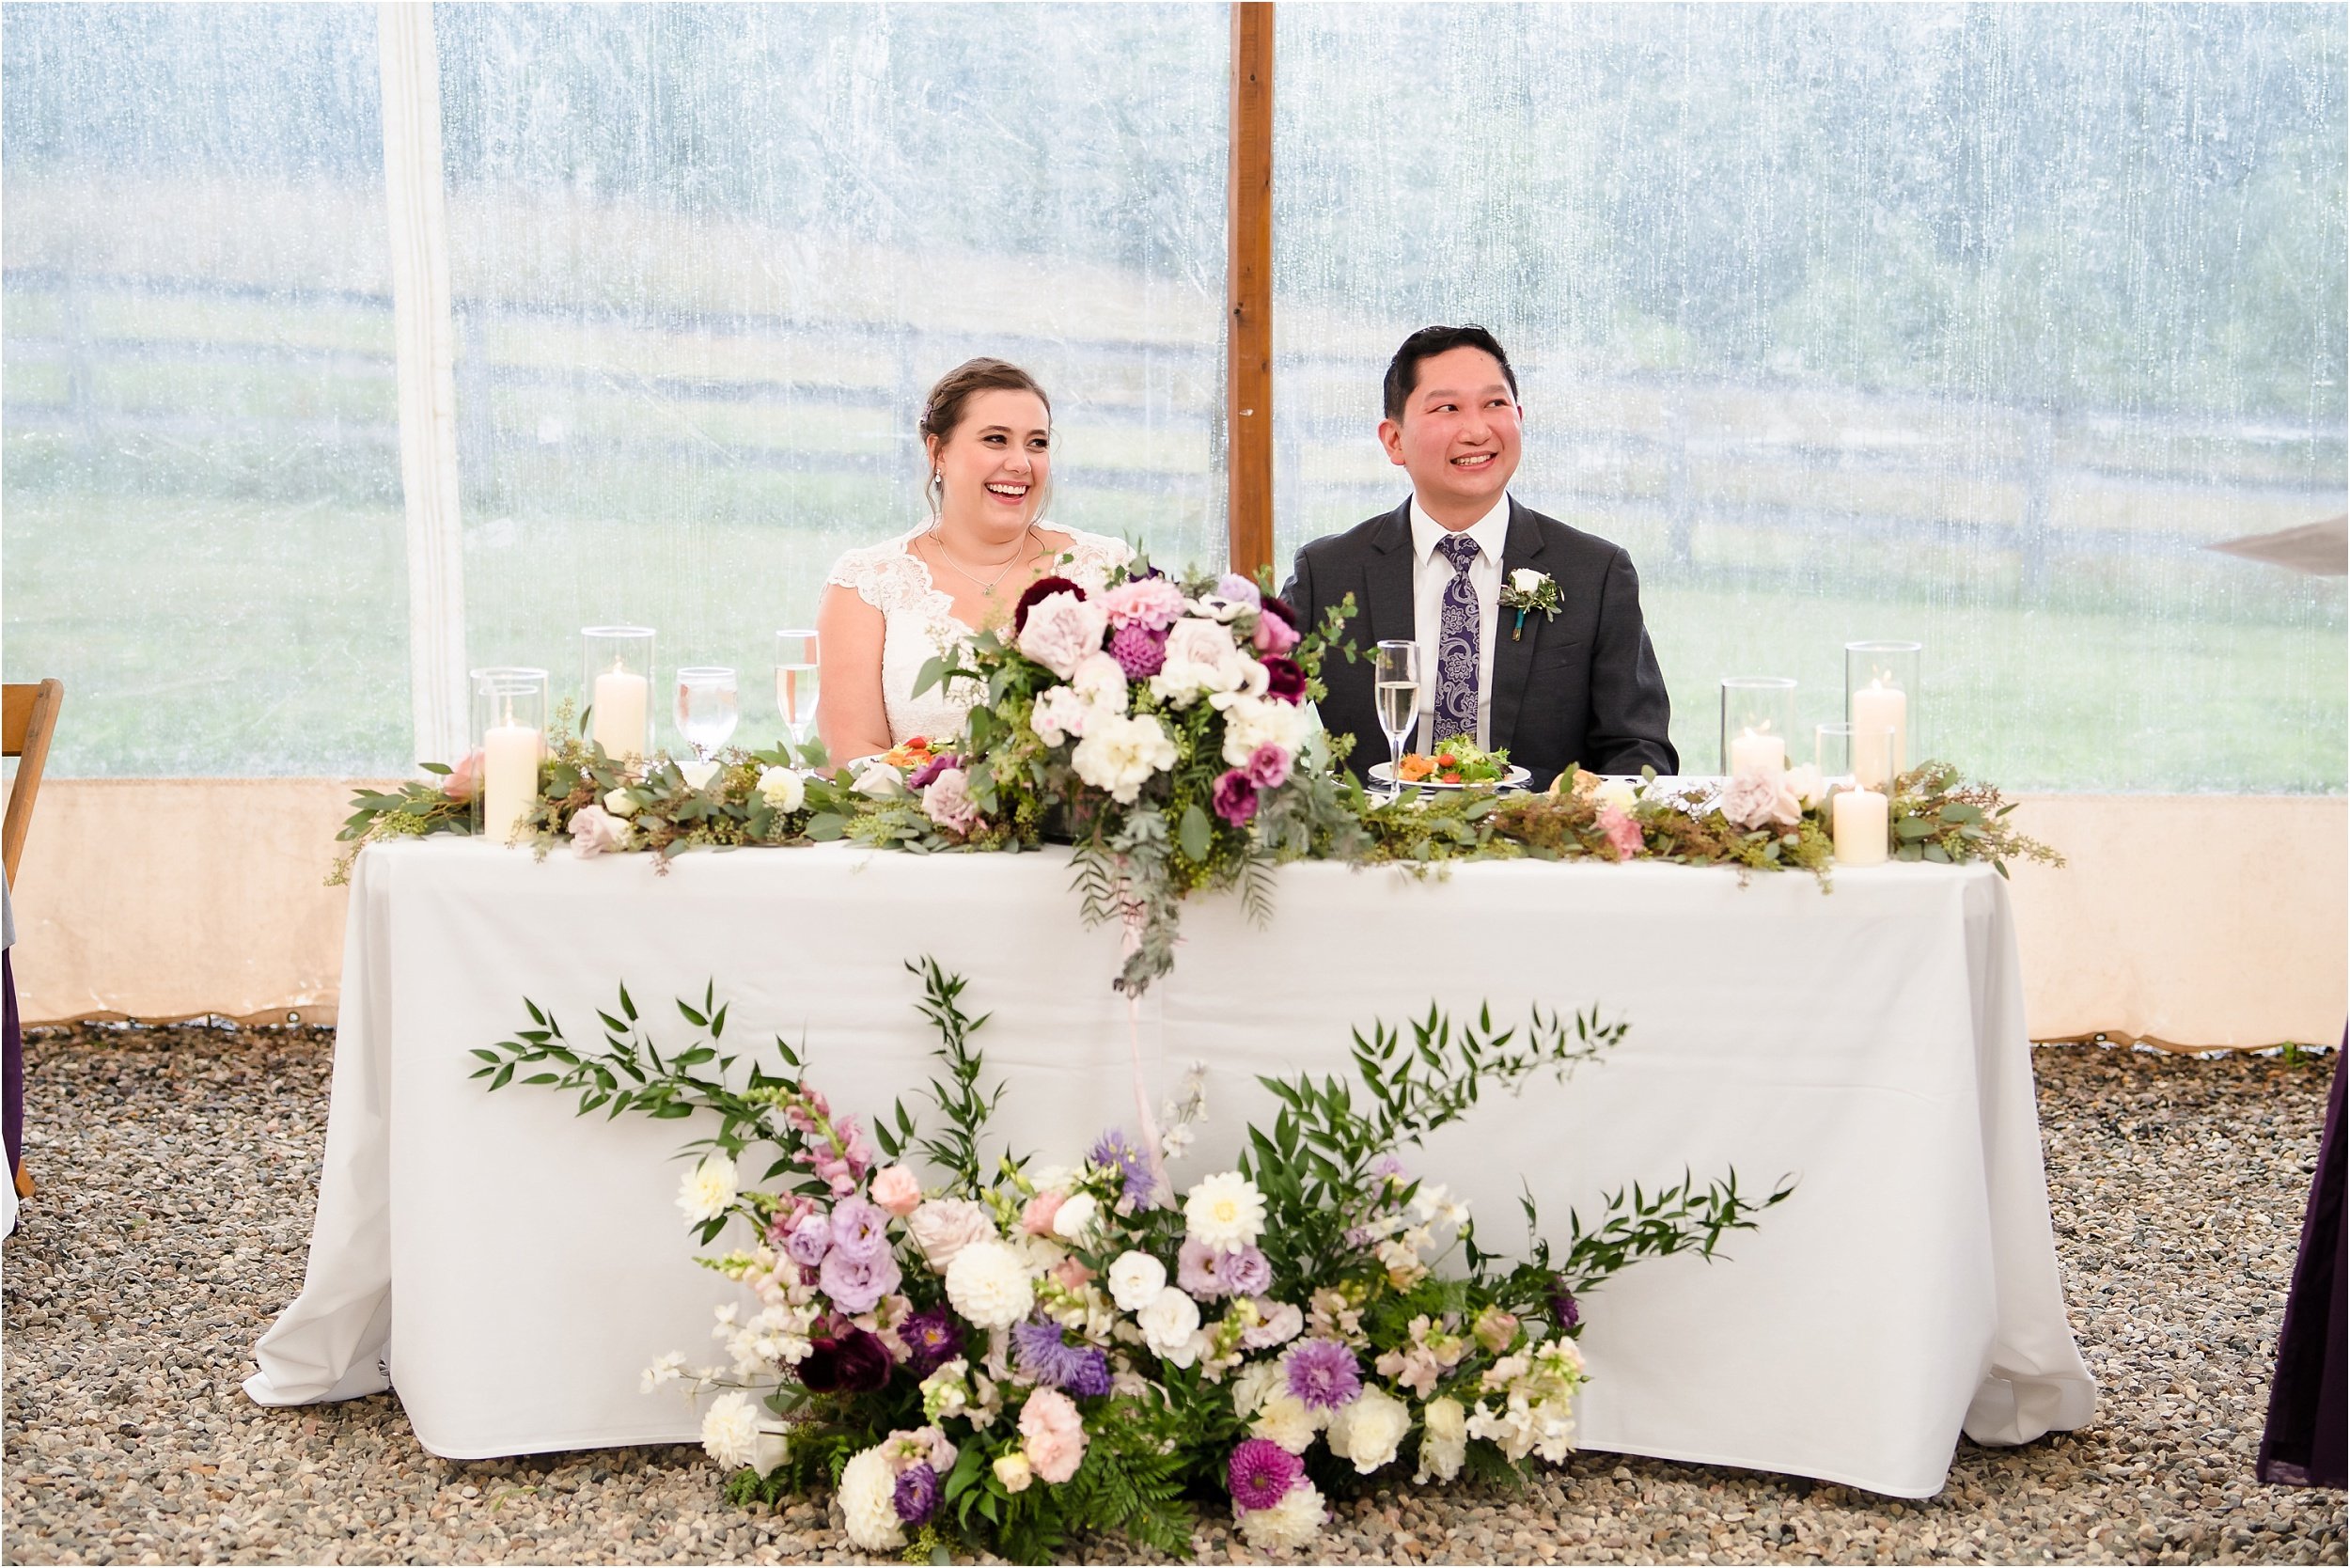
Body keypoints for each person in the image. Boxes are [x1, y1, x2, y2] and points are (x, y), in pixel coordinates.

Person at [1281, 325, 1676, 792]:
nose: (1477, 430)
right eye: (1447, 408)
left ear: (1519, 417)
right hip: (1376, 851)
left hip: (1537, 852)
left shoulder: (1596, 573)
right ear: (1394, 441)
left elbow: (1639, 753)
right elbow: (1252, 721)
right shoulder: (1327, 574)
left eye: (1495, 404)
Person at [818, 358, 1130, 760]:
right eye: (996, 439)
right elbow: (852, 755)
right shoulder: (867, 584)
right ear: (938, 452)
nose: (1021, 463)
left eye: (1037, 442)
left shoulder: (1104, 568)